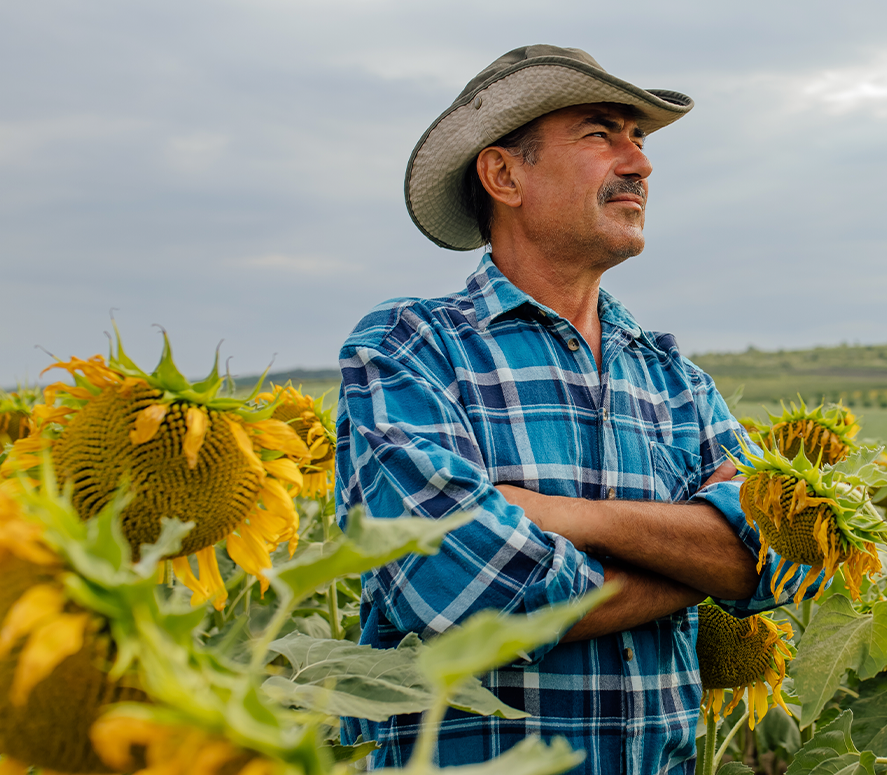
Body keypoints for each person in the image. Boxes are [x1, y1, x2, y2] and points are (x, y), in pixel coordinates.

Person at [335, 45, 804, 773]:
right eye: (600, 132)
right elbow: (467, 592)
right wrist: (707, 562)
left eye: (639, 138)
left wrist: (564, 516)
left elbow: (787, 550)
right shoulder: (412, 350)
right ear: (503, 175)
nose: (639, 163)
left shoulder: (671, 376)